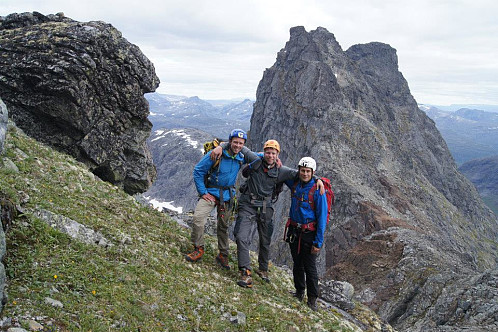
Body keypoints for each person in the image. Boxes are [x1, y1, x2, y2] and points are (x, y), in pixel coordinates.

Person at [185, 129, 258, 269]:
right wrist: (203, 192)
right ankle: (198, 248)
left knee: (223, 227)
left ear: (244, 145)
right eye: (235, 142)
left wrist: (272, 158)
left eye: (240, 143)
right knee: (198, 219)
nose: (237, 145)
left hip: (227, 196)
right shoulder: (216, 154)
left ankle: (223, 255)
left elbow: (257, 157)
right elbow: (198, 171)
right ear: (229, 142)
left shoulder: (241, 156)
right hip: (211, 193)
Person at [284, 157, 327, 311]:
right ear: (299, 170)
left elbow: (322, 218)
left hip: (309, 233)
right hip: (295, 231)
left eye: (308, 171)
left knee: (310, 267)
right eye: (303, 170)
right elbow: (283, 173)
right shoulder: (295, 184)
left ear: (312, 172)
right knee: (297, 264)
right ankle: (299, 291)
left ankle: (312, 299)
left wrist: (318, 242)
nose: (305, 173)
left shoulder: (318, 190)